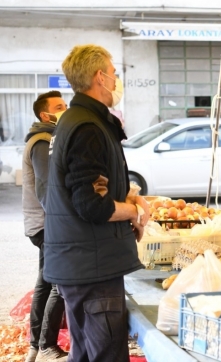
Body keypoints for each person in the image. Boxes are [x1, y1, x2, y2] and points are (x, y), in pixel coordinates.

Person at [43, 44, 150, 362]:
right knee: (104, 354)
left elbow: (95, 182)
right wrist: (135, 212)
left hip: (83, 262)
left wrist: (130, 195)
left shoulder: (81, 120)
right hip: (91, 264)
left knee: (88, 352)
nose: (118, 80)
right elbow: (92, 205)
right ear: (100, 77)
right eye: (115, 73)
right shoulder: (87, 127)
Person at [22, 91, 68, 362]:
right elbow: (46, 189)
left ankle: (35, 347)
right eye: (60, 107)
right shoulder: (42, 141)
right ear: (45, 115)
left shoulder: (47, 138)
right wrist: (63, 222)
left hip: (41, 223)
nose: (66, 109)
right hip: (46, 224)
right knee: (59, 283)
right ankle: (47, 347)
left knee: (45, 281)